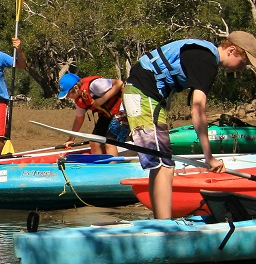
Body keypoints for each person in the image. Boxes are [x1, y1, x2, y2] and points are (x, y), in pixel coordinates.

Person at [125, 32, 256, 219]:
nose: (242, 69)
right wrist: (209, 157)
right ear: (231, 50)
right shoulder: (206, 61)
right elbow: (197, 109)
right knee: (164, 165)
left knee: (160, 163)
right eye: (243, 62)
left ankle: (161, 221)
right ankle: (164, 225)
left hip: (143, 95)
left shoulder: (204, 54)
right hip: (142, 95)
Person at [58, 72, 126, 155]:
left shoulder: (95, 85)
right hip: (106, 115)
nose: (68, 97)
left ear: (76, 88)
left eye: (68, 94)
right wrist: (71, 139)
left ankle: (113, 166)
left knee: (109, 142)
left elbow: (119, 83)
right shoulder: (80, 99)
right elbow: (79, 119)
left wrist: (101, 100)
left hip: (120, 111)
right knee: (94, 141)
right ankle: (97, 165)